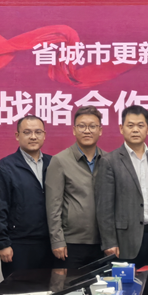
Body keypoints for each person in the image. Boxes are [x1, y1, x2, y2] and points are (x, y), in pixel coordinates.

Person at [95, 105, 148, 268]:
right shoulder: (109, 161)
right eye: (130, 125)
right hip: (123, 241)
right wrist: (109, 242)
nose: (135, 130)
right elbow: (104, 208)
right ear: (121, 128)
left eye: (140, 125)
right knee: (125, 284)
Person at [0, 115, 54, 279]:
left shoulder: (54, 164)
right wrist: (3, 243)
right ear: (17, 136)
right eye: (27, 132)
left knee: (50, 291)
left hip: (50, 244)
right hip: (18, 245)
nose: (33, 137)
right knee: (19, 292)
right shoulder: (5, 167)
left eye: (38, 132)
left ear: (44, 135)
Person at [45, 105, 106, 269]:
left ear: (100, 130)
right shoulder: (60, 161)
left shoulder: (108, 160)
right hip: (71, 244)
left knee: (102, 285)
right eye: (82, 126)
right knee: (69, 286)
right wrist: (57, 240)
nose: (87, 131)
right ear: (74, 130)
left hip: (103, 243)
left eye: (92, 126)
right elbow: (53, 206)